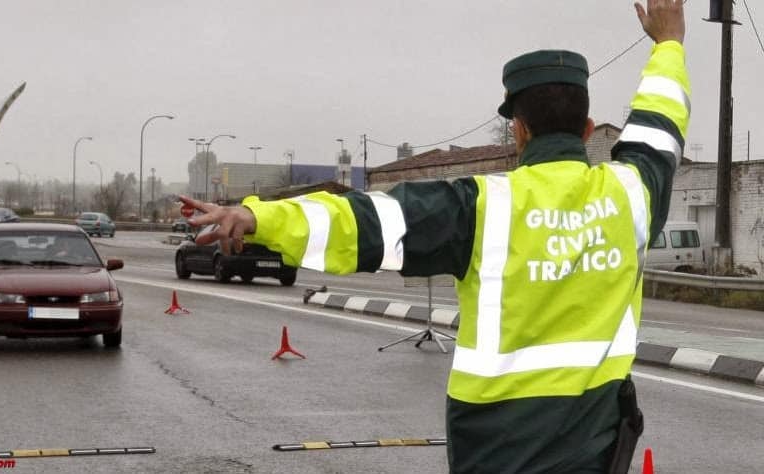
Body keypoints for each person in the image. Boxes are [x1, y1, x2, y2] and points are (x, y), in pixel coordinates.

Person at [181, 1, 688, 471]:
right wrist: (668, 43)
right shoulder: (632, 195)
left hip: (496, 452)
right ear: (588, 129)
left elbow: (363, 222)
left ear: (519, 132)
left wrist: (258, 219)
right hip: (595, 449)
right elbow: (659, 127)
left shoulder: (480, 206)